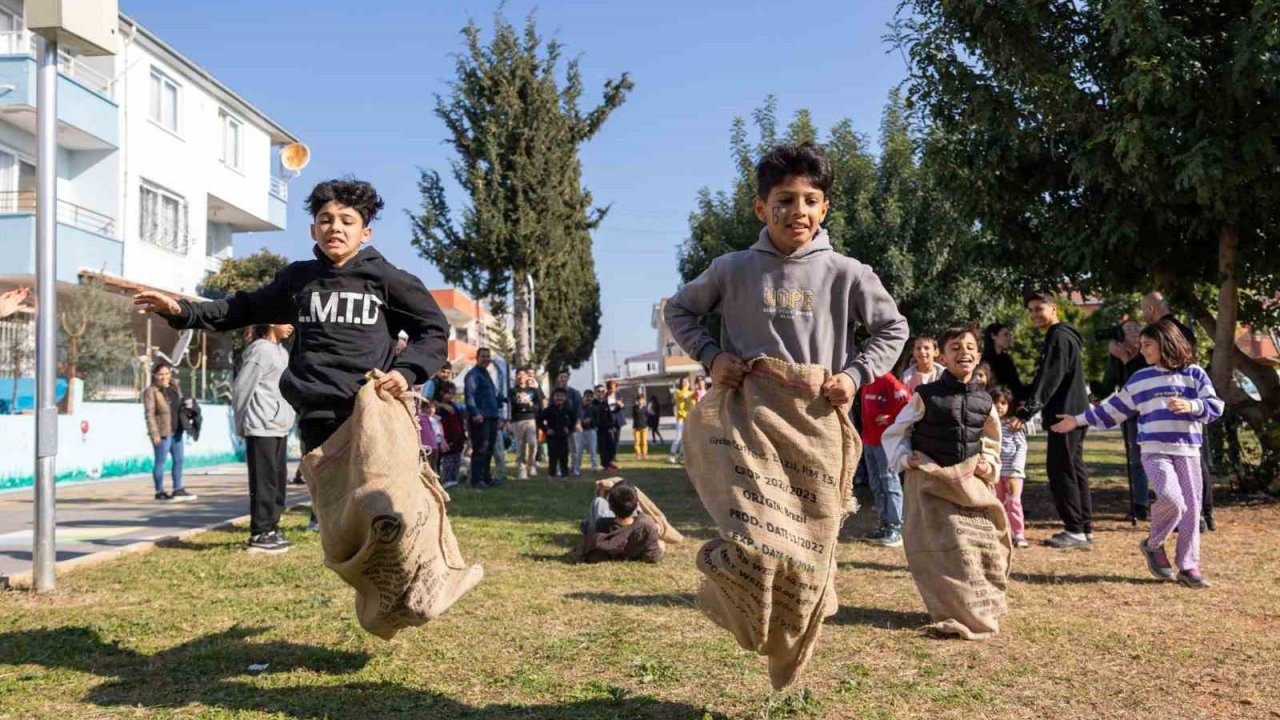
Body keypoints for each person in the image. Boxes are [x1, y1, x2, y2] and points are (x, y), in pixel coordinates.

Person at [134, 179, 449, 511]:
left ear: (365, 233)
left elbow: (434, 330)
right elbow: (241, 308)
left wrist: (405, 372)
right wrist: (182, 311)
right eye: (326, 220)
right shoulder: (299, 280)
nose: (335, 228)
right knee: (334, 519)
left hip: (371, 411)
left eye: (347, 221)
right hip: (317, 417)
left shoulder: (387, 280)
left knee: (378, 512)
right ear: (314, 230)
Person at [663, 142, 908, 417]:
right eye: (785, 200)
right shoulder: (731, 270)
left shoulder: (849, 274)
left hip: (819, 425)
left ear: (824, 210)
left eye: (811, 201)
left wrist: (854, 376)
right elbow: (676, 309)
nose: (799, 210)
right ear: (761, 208)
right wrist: (713, 356)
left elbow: (894, 329)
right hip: (745, 429)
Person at [1051, 319, 1223, 588]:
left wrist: (1192, 405)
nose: (1141, 350)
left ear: (1166, 343)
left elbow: (1215, 406)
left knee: (1191, 511)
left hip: (1188, 451)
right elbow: (1114, 409)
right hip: (1154, 452)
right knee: (1173, 501)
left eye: (1147, 345)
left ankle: (1188, 565)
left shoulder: (1195, 374)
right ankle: (1154, 544)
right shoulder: (1141, 378)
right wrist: (1078, 420)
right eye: (1141, 345)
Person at [1009, 291, 1093, 549]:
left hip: (1064, 415)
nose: (1034, 314)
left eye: (1039, 309)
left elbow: (1049, 379)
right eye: (1031, 310)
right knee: (1074, 467)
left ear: (1054, 308)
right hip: (1074, 411)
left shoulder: (1059, 336)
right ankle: (1084, 527)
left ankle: (1075, 530)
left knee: (1061, 469)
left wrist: (1026, 412)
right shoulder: (1063, 336)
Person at [882, 325, 1001, 493]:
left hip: (970, 484)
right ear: (943, 359)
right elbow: (898, 430)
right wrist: (906, 458)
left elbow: (992, 439)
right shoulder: (926, 396)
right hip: (930, 483)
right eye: (955, 348)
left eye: (970, 347)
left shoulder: (985, 402)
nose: (964, 352)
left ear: (978, 357)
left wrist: (988, 467)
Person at [1141, 291, 1215, 532]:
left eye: (1144, 309)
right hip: (1189, 407)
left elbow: (1164, 369)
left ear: (1151, 309)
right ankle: (1204, 514)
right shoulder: (1185, 330)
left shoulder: (1163, 333)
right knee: (1195, 460)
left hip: (1177, 408)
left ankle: (1196, 515)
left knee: (1187, 463)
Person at [232, 323, 296, 554]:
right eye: (285, 321)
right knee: (263, 482)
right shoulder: (260, 349)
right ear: (270, 322)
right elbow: (242, 388)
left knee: (278, 482)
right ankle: (259, 533)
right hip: (261, 426)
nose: (290, 326)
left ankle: (272, 528)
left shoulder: (282, 351)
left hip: (280, 427)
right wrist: (241, 423)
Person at [1095, 318, 1151, 522]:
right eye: (1129, 329)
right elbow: (1110, 382)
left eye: (1138, 327)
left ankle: (1166, 503)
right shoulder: (1117, 356)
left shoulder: (1150, 353)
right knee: (1136, 460)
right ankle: (1140, 504)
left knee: (1158, 457)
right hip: (1131, 413)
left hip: (1152, 413)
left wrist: (1127, 360)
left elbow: (1141, 382)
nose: (1135, 331)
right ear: (1121, 334)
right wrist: (1097, 394)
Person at [859, 371, 912, 547]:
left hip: (885, 442)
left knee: (890, 483)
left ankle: (895, 528)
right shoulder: (866, 379)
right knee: (876, 484)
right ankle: (884, 525)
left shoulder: (888, 379)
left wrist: (891, 417)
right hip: (869, 440)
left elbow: (908, 402)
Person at [142, 362, 196, 502]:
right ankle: (159, 492)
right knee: (160, 461)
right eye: (161, 374)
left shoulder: (174, 387)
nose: (164, 377)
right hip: (162, 433)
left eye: (166, 374)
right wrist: (154, 433)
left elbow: (180, 406)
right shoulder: (151, 391)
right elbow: (149, 414)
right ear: (155, 375)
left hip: (177, 431)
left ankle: (178, 489)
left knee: (179, 461)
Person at [579, 481, 665, 563]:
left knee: (598, 501)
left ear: (610, 506)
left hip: (609, 523)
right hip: (632, 522)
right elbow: (653, 556)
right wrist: (661, 547)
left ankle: (585, 524)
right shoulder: (646, 526)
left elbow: (592, 549)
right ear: (636, 504)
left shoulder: (601, 524)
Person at [991, 386, 1029, 548]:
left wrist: (1015, 469)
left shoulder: (1012, 425)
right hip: (995, 473)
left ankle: (1018, 534)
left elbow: (1022, 447)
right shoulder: (988, 425)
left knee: (1013, 502)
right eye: (995, 402)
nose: (999, 406)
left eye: (1003, 403)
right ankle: (1001, 532)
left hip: (1013, 473)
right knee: (997, 503)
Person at [465, 348, 504, 489]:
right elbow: (469, 395)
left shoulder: (486, 374)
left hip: (492, 417)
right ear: (477, 357)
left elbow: (491, 396)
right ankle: (477, 480)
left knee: (489, 449)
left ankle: (486, 477)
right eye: (483, 356)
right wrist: (475, 413)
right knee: (480, 449)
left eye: (488, 356)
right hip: (480, 418)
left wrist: (503, 399)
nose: (486, 359)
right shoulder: (473, 375)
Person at [510, 367, 544, 480]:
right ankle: (522, 469)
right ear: (516, 377)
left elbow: (539, 404)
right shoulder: (513, 391)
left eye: (523, 375)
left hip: (530, 418)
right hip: (517, 420)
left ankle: (532, 464)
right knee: (520, 446)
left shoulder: (533, 390)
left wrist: (532, 405)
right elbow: (510, 406)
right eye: (518, 375)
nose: (521, 377)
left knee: (532, 443)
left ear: (527, 376)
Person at [539, 387, 577, 480]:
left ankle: (565, 475)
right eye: (557, 396)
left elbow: (574, 420)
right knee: (553, 456)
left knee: (564, 456)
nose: (559, 398)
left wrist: (569, 429)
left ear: (565, 397)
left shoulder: (568, 409)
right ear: (553, 397)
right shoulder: (549, 409)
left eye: (562, 396)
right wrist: (546, 429)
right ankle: (551, 474)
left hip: (563, 436)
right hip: (552, 437)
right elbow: (539, 420)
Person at [981, 323, 1026, 400]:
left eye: (1009, 335)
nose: (1009, 338)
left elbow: (1016, 386)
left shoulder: (1007, 359)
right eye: (1005, 335)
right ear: (993, 336)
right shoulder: (983, 360)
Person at [436, 382, 467, 490]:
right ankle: (447, 481)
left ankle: (454, 481)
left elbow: (459, 423)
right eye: (448, 393)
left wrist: (463, 437)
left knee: (456, 461)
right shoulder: (440, 409)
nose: (451, 396)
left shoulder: (455, 407)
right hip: (448, 441)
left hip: (457, 440)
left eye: (453, 394)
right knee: (448, 462)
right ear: (442, 393)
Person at [668, 377, 695, 464]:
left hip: (689, 418)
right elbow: (683, 395)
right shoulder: (678, 391)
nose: (685, 383)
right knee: (678, 437)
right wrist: (686, 388)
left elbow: (693, 402)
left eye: (687, 381)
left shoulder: (691, 393)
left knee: (686, 438)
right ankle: (672, 455)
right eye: (684, 381)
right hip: (680, 418)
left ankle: (682, 455)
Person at [599, 380, 624, 471]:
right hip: (608, 419)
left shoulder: (618, 395)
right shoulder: (605, 396)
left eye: (614, 387)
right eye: (611, 388)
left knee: (616, 439)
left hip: (617, 419)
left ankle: (613, 456)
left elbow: (622, 405)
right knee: (610, 440)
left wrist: (620, 404)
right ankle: (608, 459)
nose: (613, 389)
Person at [578, 388, 601, 472]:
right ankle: (577, 466)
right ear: (583, 397)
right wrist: (581, 421)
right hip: (580, 431)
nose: (588, 398)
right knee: (579, 450)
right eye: (587, 396)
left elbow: (597, 421)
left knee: (593, 450)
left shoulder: (594, 408)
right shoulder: (579, 407)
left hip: (591, 430)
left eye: (591, 397)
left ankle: (594, 466)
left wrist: (591, 421)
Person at [632, 390, 650, 460]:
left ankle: (644, 454)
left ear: (644, 400)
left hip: (644, 427)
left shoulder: (645, 408)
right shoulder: (634, 408)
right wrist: (637, 406)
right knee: (637, 441)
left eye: (642, 399)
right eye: (639, 399)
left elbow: (647, 416)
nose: (640, 401)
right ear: (637, 400)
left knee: (644, 441)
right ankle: (638, 454)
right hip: (636, 427)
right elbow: (633, 415)